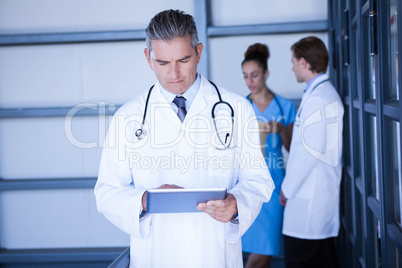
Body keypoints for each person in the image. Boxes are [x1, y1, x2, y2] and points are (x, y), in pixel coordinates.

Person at [94, 9, 274, 268]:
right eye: (163, 63)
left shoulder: (236, 108)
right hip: (156, 256)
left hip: (213, 254)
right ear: (148, 58)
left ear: (199, 52)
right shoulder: (128, 116)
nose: (174, 73)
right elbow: (106, 192)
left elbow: (257, 180)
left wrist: (236, 204)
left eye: (184, 60)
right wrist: (145, 200)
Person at [279, 36, 344, 267]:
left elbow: (308, 154)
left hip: (309, 206)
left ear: (304, 63)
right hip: (311, 203)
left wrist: (286, 189)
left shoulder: (320, 99)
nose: (292, 67)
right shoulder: (317, 95)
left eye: (294, 61)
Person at [240, 43, 296, 268]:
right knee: (258, 250)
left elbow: (293, 148)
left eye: (254, 75)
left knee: (267, 249)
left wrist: (281, 129)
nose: (250, 82)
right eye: (245, 76)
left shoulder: (285, 107)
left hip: (275, 184)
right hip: (247, 181)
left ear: (266, 73)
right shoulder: (240, 106)